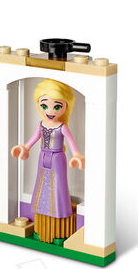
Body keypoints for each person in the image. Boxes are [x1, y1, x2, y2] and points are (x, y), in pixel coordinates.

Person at [11, 79, 84, 243]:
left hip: (57, 157)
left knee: (58, 184)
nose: (50, 111)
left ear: (65, 107)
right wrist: (25, 147)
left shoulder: (62, 127)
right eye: (44, 105)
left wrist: (76, 155)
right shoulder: (41, 124)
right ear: (38, 105)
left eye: (57, 106)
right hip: (43, 156)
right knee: (42, 181)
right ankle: (43, 208)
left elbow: (71, 142)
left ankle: (59, 210)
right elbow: (33, 138)